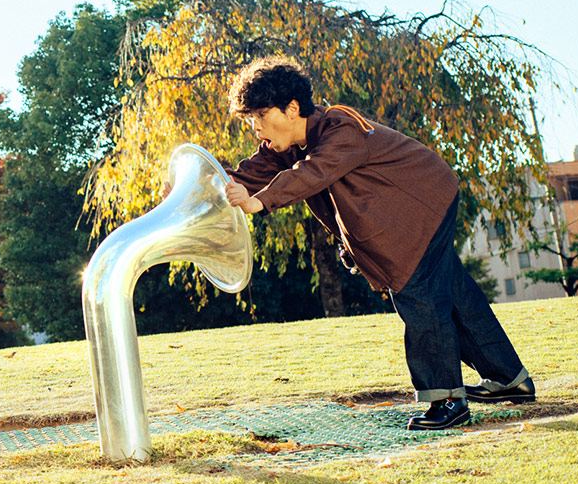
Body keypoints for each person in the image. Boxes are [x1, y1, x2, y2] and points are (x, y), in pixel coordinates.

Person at [219, 56, 534, 430]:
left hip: (422, 206)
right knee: (454, 295)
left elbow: (313, 173)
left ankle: (447, 401)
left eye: (259, 116)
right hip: (417, 208)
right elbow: (244, 175)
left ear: (291, 109)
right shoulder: (287, 146)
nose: (256, 129)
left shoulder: (341, 128)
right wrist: (197, 188)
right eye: (249, 120)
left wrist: (260, 201)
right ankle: (509, 378)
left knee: (421, 298)